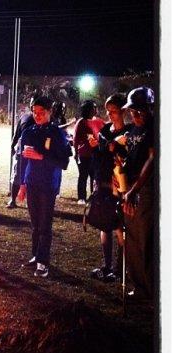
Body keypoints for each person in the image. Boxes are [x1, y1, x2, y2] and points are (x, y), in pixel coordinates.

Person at [17, 96, 72, 277]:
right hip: (32, 182)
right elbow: (23, 161)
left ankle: (43, 261)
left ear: (49, 112)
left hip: (48, 184)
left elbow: (63, 162)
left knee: (45, 224)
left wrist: (42, 156)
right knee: (35, 223)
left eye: (42, 113)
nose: (38, 116)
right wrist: (22, 185)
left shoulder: (57, 133)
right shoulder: (29, 131)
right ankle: (36, 255)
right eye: (35, 112)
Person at [117, 87, 155, 299]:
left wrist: (135, 189)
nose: (135, 115)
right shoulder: (133, 130)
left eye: (140, 111)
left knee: (145, 239)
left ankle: (151, 289)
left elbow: (152, 159)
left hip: (145, 190)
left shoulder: (154, 129)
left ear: (150, 108)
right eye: (132, 111)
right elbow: (130, 155)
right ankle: (139, 286)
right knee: (131, 238)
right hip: (129, 188)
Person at [89, 93, 131, 282]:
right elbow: (99, 158)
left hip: (122, 185)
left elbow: (132, 158)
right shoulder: (105, 130)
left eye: (113, 111)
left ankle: (119, 268)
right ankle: (107, 266)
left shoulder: (131, 132)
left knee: (120, 228)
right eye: (108, 111)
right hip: (105, 184)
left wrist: (117, 149)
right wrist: (96, 147)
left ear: (123, 111)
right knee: (105, 224)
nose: (110, 115)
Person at [6, 96, 36, 208]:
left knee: (32, 177)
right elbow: (17, 133)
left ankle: (31, 201)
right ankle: (13, 200)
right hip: (21, 152)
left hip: (35, 153)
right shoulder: (25, 117)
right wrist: (13, 145)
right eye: (33, 104)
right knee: (17, 176)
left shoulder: (44, 119)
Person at [73, 100, 104, 205]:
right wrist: (76, 153)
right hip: (84, 154)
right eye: (93, 108)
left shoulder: (99, 121)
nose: (95, 110)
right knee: (83, 176)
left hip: (96, 153)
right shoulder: (81, 122)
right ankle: (81, 197)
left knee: (95, 176)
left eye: (95, 107)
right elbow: (75, 139)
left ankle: (94, 196)